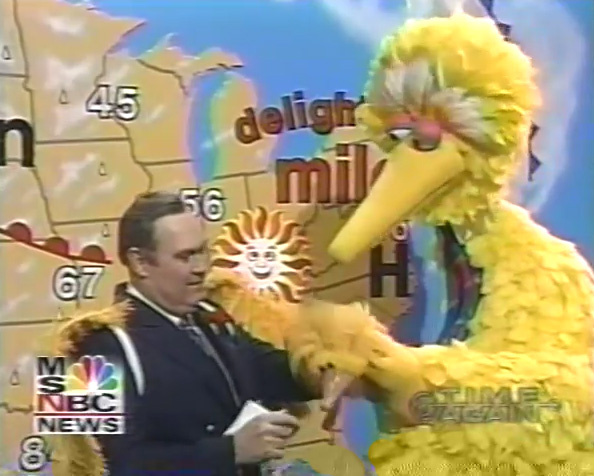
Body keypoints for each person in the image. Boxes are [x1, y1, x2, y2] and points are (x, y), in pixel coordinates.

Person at [56, 191, 340, 476]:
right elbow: (107, 468)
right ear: (139, 262)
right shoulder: (86, 347)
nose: (202, 267)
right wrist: (230, 451)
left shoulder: (210, 315)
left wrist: (321, 369)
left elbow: (265, 367)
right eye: (186, 256)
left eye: (203, 251)